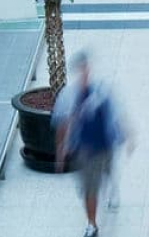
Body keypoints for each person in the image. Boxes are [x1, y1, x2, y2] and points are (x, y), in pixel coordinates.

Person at [55, 52, 128, 237]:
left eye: (85, 68)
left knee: (108, 170)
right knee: (89, 188)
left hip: (105, 144)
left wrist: (125, 134)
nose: (84, 72)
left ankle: (112, 187)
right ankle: (92, 224)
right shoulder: (69, 95)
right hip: (85, 150)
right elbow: (62, 122)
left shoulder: (102, 90)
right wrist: (61, 150)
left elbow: (115, 113)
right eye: (80, 69)